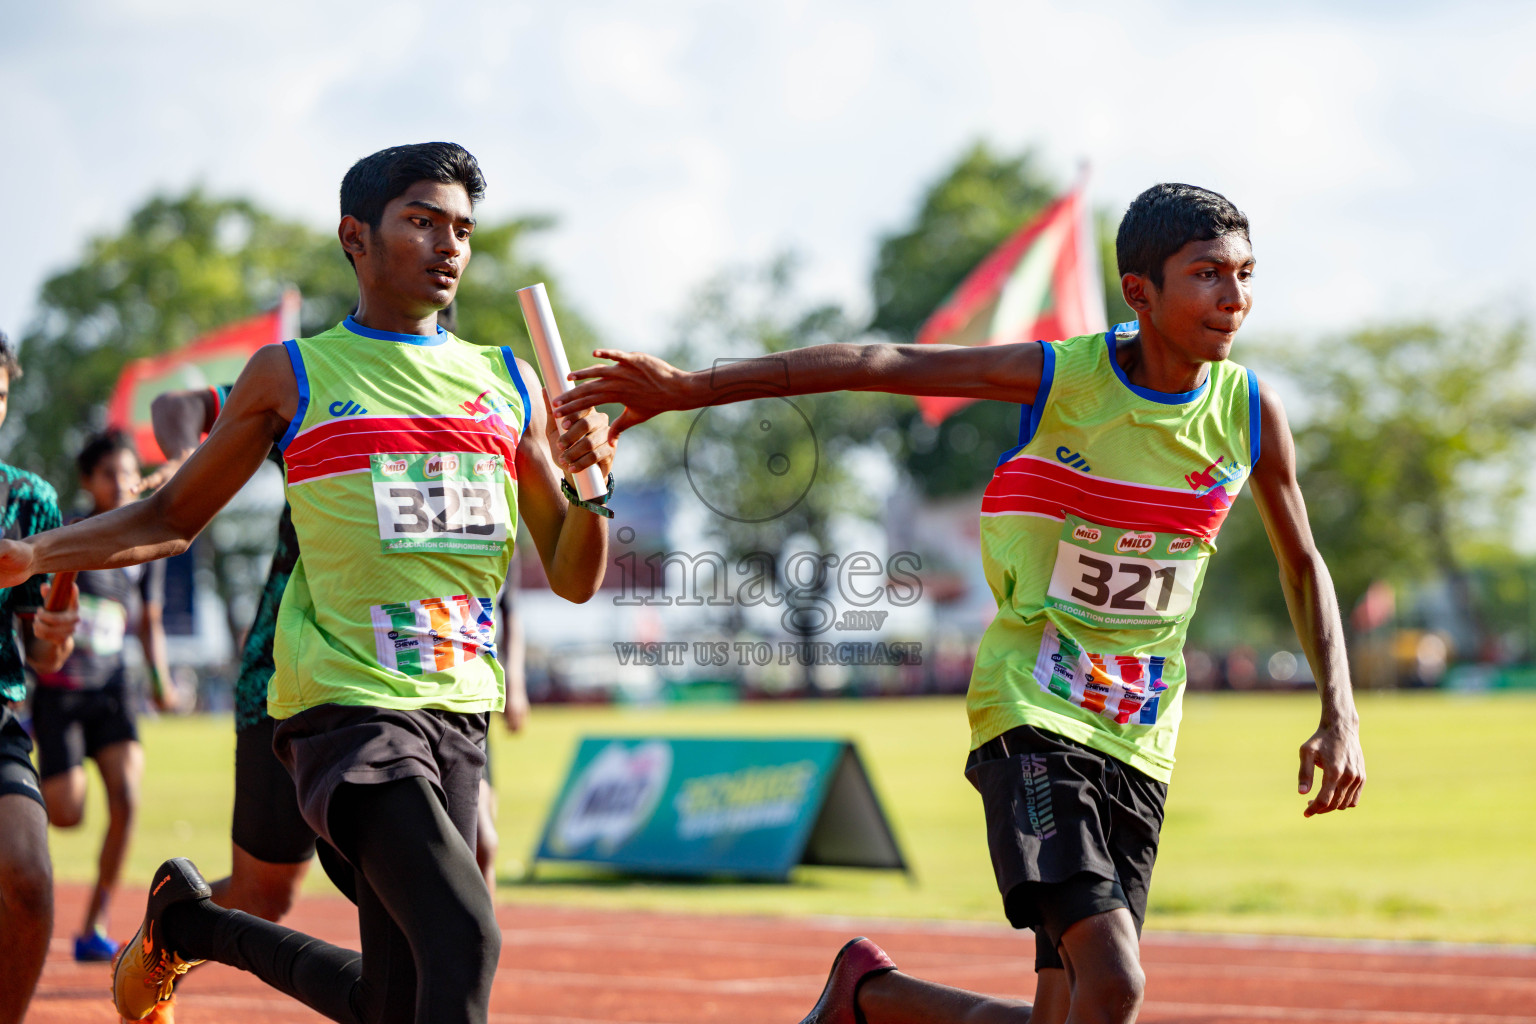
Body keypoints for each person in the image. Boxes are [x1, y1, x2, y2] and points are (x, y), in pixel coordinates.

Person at [554, 183, 1366, 1024]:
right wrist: (693, 388)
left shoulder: (1249, 411)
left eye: (1244, 275)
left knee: (1068, 1011)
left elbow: (1303, 563)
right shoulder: (1062, 376)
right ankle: (871, 998)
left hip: (1140, 730)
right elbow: (879, 365)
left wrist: (1339, 711)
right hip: (1034, 712)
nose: (1234, 299)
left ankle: (872, 999)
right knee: (1116, 985)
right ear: (1140, 292)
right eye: (1207, 275)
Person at [0, 142, 615, 1024]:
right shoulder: (292, 375)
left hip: (458, 711)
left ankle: (188, 927)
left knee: (392, 1001)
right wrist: (38, 554)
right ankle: (193, 924)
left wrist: (594, 486)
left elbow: (572, 574)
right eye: (422, 222)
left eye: (463, 229)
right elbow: (169, 517)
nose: (449, 246)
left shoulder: (506, 382)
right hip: (343, 708)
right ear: (354, 237)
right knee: (465, 935)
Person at [146, 302, 527, 922]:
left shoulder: (479, 405)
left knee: (470, 856)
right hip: (294, 673)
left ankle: (444, 981)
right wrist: (189, 464)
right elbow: (176, 406)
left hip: (438, 669)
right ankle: (174, 927)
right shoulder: (323, 383)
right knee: (265, 897)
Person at [33, 429, 173, 963]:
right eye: (110, 474)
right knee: (66, 813)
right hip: (61, 692)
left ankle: (94, 924)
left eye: (130, 473)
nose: (122, 483)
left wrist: (161, 680)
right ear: (88, 481)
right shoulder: (67, 531)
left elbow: (149, 619)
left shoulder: (147, 541)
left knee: (128, 798)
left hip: (114, 690)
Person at [0, 328, 81, 1024]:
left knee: (28, 877)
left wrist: (57, 627)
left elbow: (44, 656)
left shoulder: (30, 503)